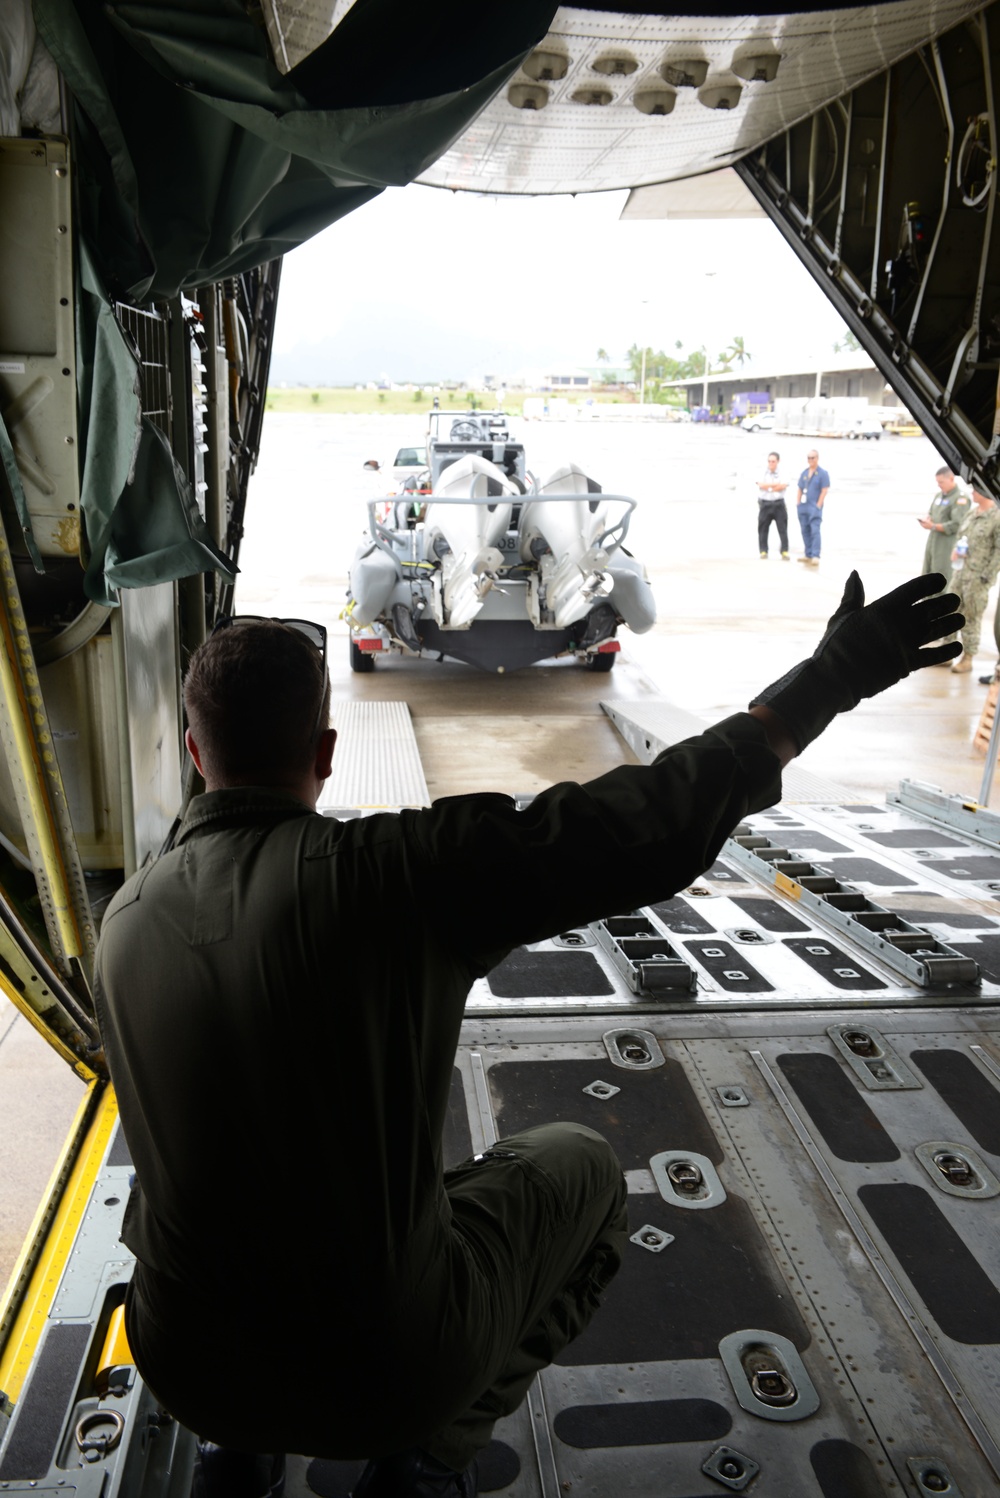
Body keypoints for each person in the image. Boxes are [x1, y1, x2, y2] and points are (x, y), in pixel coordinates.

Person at [94, 577, 963, 1498]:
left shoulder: (124, 921)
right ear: (326, 752)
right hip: (389, 1378)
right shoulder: (392, 877)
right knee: (579, 1166)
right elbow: (647, 822)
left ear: (195, 750)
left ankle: (241, 1455)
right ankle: (427, 1462)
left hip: (189, 1371)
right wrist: (825, 680)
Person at [948, 486, 1000, 673]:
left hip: (978, 577)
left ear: (985, 493)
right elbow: (961, 537)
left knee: (971, 615)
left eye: (975, 491)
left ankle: (967, 658)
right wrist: (955, 550)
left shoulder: (996, 517)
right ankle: (946, 652)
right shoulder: (972, 513)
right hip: (961, 572)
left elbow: (998, 551)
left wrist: (987, 576)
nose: (972, 494)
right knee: (949, 609)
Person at [918, 466, 969, 576]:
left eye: (941, 482)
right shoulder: (938, 496)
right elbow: (931, 513)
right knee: (927, 572)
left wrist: (933, 526)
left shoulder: (960, 499)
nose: (939, 485)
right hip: (933, 540)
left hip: (946, 543)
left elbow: (956, 524)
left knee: (940, 574)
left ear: (951, 479)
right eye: (937, 482)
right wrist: (928, 519)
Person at [795, 448, 830, 566]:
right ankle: (808, 553)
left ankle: (815, 555)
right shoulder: (804, 473)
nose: (810, 460)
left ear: (817, 458)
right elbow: (799, 488)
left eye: (812, 458)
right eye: (808, 458)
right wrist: (798, 503)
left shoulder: (822, 473)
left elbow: (824, 490)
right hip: (803, 506)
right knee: (805, 530)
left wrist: (818, 505)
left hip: (814, 506)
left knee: (815, 530)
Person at [756, 451, 790, 559]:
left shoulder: (783, 472)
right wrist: (774, 485)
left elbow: (783, 485)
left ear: (778, 461)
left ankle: (784, 551)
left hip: (778, 503)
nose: (771, 463)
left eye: (773, 461)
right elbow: (760, 484)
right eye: (769, 461)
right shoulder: (762, 471)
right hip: (765, 503)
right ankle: (763, 551)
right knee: (763, 528)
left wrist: (768, 487)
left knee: (782, 528)